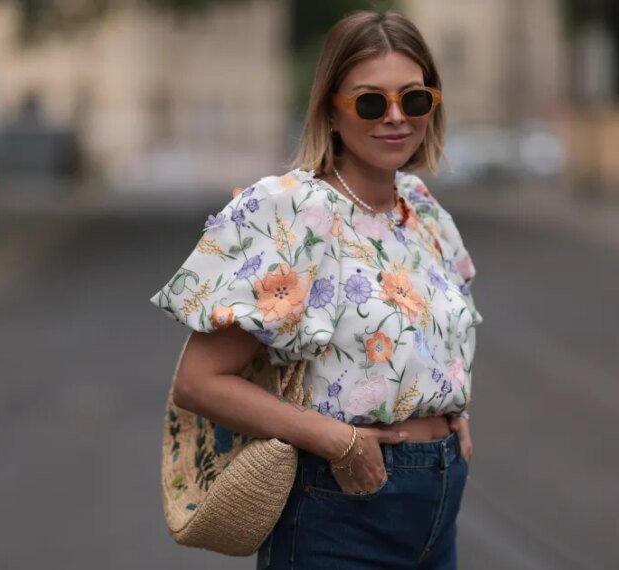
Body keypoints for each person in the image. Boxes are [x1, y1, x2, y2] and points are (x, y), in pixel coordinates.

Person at [150, 10, 483, 569]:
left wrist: (453, 417)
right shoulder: (293, 210)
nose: (396, 117)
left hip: (439, 499)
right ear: (332, 109)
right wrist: (338, 442)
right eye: (371, 102)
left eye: (415, 98)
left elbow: (433, 344)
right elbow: (199, 383)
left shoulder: (423, 211)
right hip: (342, 505)